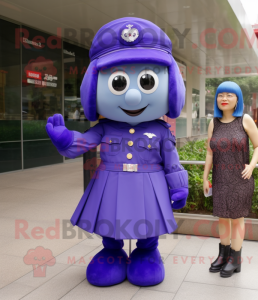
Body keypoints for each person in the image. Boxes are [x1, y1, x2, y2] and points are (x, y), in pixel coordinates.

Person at [45, 17, 188, 287]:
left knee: (148, 226)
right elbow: (83, 143)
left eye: (146, 81)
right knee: (111, 222)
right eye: (119, 83)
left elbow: (172, 161)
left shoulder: (161, 131)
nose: (133, 97)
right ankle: (112, 251)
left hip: (150, 182)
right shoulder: (104, 127)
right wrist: (64, 139)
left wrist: (178, 187)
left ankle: (147, 252)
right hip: (110, 181)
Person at [203, 81, 258, 277]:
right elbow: (210, 153)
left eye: (229, 95)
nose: (224, 99)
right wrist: (205, 178)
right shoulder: (214, 123)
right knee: (222, 218)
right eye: (221, 95)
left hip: (240, 178)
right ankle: (223, 255)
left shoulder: (244, 120)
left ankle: (235, 260)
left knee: (237, 219)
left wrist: (251, 165)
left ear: (237, 99)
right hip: (220, 178)